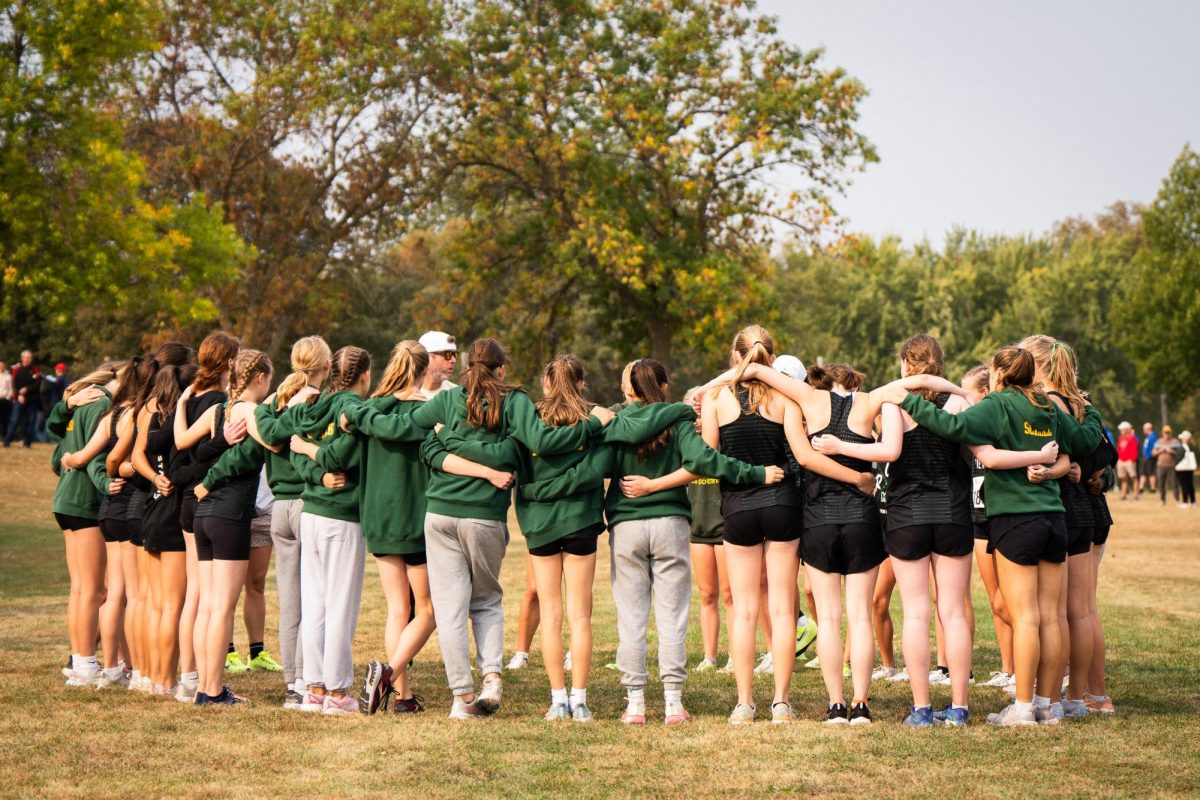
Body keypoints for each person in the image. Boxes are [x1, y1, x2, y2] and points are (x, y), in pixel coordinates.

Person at [520, 358, 783, 725]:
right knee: (672, 617)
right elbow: (705, 460)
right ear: (664, 385)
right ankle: (673, 702)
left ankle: (635, 703)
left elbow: (592, 463)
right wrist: (756, 472)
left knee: (631, 617)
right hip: (671, 524)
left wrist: (539, 488)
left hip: (627, 526)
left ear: (628, 389)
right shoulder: (678, 420)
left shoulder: (614, 422)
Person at [874, 345, 1103, 727]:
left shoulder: (998, 405)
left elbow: (953, 428)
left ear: (999, 373)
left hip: (1016, 518)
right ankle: (1050, 704)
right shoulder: (1048, 405)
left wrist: (909, 403)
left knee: (1026, 616)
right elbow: (1083, 440)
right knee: (1052, 617)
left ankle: (1025, 707)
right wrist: (1088, 410)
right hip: (1054, 519)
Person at [703, 327, 880, 725]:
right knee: (783, 611)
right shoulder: (786, 398)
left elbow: (709, 458)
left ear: (736, 357)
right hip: (784, 507)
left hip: (738, 507)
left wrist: (744, 471)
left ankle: (745, 703)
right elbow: (802, 456)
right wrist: (856, 478)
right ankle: (781, 702)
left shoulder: (717, 398)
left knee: (745, 610)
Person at [189, 350, 275, 705]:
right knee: (221, 607)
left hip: (204, 513)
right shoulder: (247, 410)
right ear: (259, 378)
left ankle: (206, 687)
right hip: (230, 514)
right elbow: (272, 441)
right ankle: (212, 689)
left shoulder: (220, 409)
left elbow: (191, 447)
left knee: (209, 606)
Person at [172, 332, 241, 702]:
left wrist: (182, 403)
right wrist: (223, 442)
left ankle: (191, 677)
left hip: (188, 503)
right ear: (230, 362)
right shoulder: (219, 402)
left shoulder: (194, 396)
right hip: (207, 496)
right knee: (203, 598)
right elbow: (195, 452)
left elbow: (180, 442)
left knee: (195, 595)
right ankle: (200, 681)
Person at [46, 363, 121, 686]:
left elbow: (55, 457)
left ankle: (79, 661)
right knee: (94, 590)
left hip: (65, 501)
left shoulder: (82, 402)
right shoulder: (103, 404)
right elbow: (93, 458)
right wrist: (106, 483)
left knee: (81, 589)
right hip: (85, 502)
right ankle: (87, 665)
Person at [5, 350, 42, 447]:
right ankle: (7, 441)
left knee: (30, 422)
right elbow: (13, 384)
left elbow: (38, 383)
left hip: (32, 400)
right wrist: (19, 395)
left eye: (30, 357)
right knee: (14, 420)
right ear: (22, 358)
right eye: (26, 357)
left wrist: (27, 389)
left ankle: (27, 442)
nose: (28, 359)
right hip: (19, 400)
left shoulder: (35, 369)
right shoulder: (17, 369)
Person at [418, 331, 459, 397]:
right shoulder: (406, 394)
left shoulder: (456, 395)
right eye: (447, 354)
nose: (453, 360)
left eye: (455, 355)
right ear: (427, 357)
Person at [1152, 425, 1182, 506]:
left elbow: (1179, 453)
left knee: (1174, 483)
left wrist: (1170, 451)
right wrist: (1161, 450)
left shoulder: (1175, 442)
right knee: (1161, 484)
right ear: (1163, 433)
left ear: (1170, 433)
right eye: (1165, 432)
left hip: (1171, 466)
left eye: (1168, 432)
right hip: (1160, 466)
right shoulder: (1159, 442)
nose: (1167, 434)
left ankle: (1177, 501)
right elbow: (1153, 453)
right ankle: (1162, 501)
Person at [1115, 422, 1139, 500]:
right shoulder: (1120, 438)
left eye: (1122, 429)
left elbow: (1135, 449)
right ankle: (1124, 495)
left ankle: (1135, 495)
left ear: (1126, 429)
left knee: (1134, 478)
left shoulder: (1132, 438)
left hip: (1129, 461)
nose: (1121, 431)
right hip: (1121, 461)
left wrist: (1132, 459)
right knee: (1124, 479)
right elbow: (1118, 449)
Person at [1176, 431, 1196, 507]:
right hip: (1190, 468)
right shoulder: (1192, 447)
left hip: (1182, 469)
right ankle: (1192, 501)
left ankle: (1185, 502)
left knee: (1184, 485)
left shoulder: (1182, 448)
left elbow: (1178, 459)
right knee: (1190, 485)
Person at [1139, 422, 1158, 495]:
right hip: (1145, 458)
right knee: (1143, 473)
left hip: (1150, 458)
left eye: (1144, 428)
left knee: (1151, 473)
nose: (1143, 430)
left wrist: (1150, 455)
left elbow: (1154, 448)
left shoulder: (1153, 436)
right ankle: (1141, 489)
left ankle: (1152, 489)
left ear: (1148, 429)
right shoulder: (1148, 437)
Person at [0, 361, 12, 432]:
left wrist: (8, 398)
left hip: (4, 400)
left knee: (4, 418)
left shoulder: (8, 376)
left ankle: (3, 434)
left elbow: (10, 389)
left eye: (2, 366)